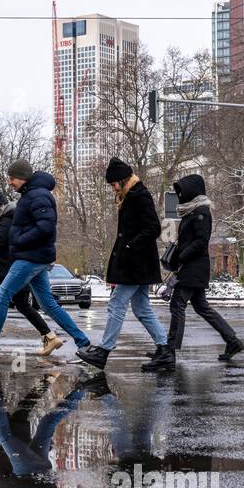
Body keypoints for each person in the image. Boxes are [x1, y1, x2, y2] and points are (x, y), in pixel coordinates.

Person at [0, 160, 94, 364]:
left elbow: (46, 227)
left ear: (23, 177)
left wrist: (19, 241)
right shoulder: (31, 194)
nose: (9, 182)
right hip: (36, 257)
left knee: (1, 297)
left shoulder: (38, 195)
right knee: (47, 304)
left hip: (31, 257)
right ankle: (84, 345)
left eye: (12, 178)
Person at [79, 158, 167, 370]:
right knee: (142, 309)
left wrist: (130, 247)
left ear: (123, 180)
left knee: (117, 303)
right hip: (137, 264)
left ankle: (104, 351)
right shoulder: (130, 196)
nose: (112, 188)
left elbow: (154, 228)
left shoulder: (140, 196)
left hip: (136, 264)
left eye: (113, 184)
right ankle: (165, 350)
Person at [149, 173, 244, 370]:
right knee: (202, 307)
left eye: (182, 191)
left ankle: (170, 352)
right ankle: (232, 340)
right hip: (192, 268)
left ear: (192, 191)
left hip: (193, 269)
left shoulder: (201, 212)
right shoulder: (192, 211)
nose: (180, 195)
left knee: (177, 305)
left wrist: (181, 257)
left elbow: (201, 242)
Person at [0, 184, 63, 357]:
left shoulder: (7, 219)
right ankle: (49, 336)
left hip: (12, 271)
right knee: (23, 305)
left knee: (0, 302)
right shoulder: (10, 217)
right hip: (14, 268)